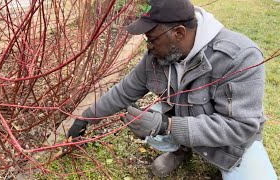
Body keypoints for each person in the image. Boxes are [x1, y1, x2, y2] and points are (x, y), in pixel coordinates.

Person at [67, 0, 277, 179]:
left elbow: (240, 127)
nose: (148, 47)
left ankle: (219, 159)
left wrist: (167, 126)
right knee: (150, 118)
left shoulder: (239, 57)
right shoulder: (157, 57)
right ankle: (182, 150)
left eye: (153, 39)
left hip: (233, 146)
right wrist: (86, 118)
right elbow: (124, 92)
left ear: (178, 33)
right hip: (185, 121)